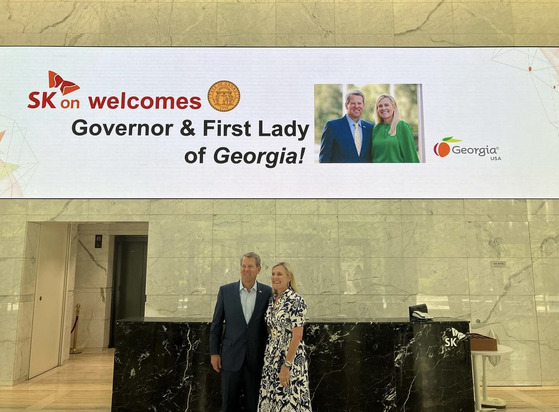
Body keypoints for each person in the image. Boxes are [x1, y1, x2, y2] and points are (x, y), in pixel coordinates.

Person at [210, 252, 273, 412]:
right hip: (230, 357)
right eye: (243, 266)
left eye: (250, 266)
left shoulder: (267, 293)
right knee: (228, 405)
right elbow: (216, 324)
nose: (246, 270)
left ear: (258, 269)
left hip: (256, 357)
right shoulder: (226, 291)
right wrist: (214, 353)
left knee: (255, 404)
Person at [258, 262, 311, 411]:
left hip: (289, 358)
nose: (275, 277)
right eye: (273, 274)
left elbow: (297, 335)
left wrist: (286, 365)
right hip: (271, 357)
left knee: (288, 400)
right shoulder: (272, 299)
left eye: (279, 274)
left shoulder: (296, 300)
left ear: (289, 277)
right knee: (271, 399)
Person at [319, 90, 374, 163]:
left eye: (359, 103)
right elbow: (324, 158)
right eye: (353, 103)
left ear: (363, 105)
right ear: (346, 105)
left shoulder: (370, 128)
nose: (356, 106)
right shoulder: (332, 126)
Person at [371, 94, 420, 163]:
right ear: (377, 109)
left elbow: (410, 155)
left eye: (386, 105)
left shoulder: (402, 126)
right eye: (380, 106)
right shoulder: (376, 129)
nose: (383, 108)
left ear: (394, 107)